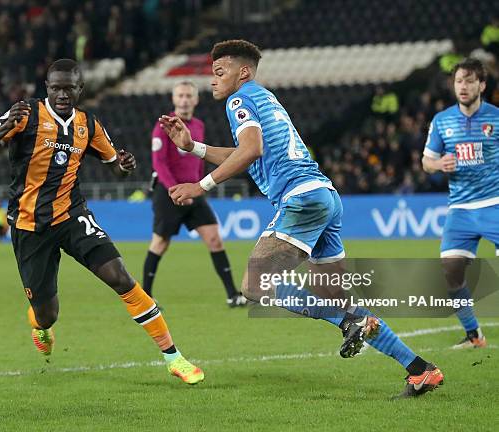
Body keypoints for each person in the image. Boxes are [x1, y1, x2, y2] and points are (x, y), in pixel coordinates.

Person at [160, 39, 443, 397]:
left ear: (242, 72)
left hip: (301, 200)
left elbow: (250, 151)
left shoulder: (240, 99)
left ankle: (350, 322)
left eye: (219, 72)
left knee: (255, 285)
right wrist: (193, 148)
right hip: (323, 196)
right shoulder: (265, 98)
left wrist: (200, 186)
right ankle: (420, 370)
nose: (213, 81)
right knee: (339, 298)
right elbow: (252, 153)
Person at [0, 59, 203, 385]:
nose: (62, 94)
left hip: (72, 215)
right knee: (47, 314)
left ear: (80, 89)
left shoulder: (87, 125)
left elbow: (113, 164)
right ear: (47, 88)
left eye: (69, 88)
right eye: (56, 88)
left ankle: (173, 357)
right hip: (29, 225)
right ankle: (40, 325)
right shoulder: (26, 114)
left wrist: (124, 165)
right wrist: (5, 129)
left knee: (120, 277)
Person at [145, 80, 246, 307]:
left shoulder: (198, 125)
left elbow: (200, 159)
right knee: (160, 243)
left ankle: (233, 294)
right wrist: (174, 189)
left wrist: (200, 186)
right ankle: (146, 298)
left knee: (214, 239)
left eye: (188, 96)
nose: (184, 100)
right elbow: (159, 164)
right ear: (173, 99)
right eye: (180, 95)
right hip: (168, 192)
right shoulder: (163, 125)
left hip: (194, 191)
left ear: (196, 99)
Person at [422, 57, 498, 349]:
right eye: (458, 81)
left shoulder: (496, 118)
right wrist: (439, 163)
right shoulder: (442, 121)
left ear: (482, 85)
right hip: (461, 210)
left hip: (494, 203)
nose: (463, 86)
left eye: (469, 80)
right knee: (451, 271)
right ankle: (474, 336)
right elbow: (425, 161)